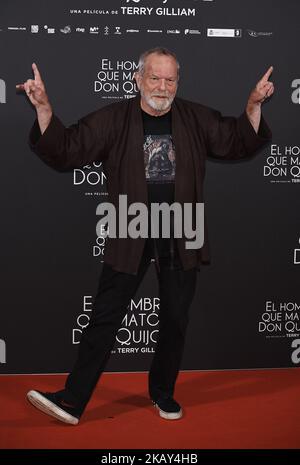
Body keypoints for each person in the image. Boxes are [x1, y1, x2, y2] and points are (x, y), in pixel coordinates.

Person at [16, 47, 274, 425]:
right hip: (129, 227)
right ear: (138, 79)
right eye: (155, 77)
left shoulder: (195, 117)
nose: (162, 85)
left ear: (178, 83)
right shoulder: (114, 118)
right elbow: (69, 148)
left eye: (170, 79)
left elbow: (235, 140)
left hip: (181, 229)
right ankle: (72, 401)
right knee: (105, 316)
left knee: (174, 318)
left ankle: (162, 393)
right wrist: (43, 107)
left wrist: (253, 104)